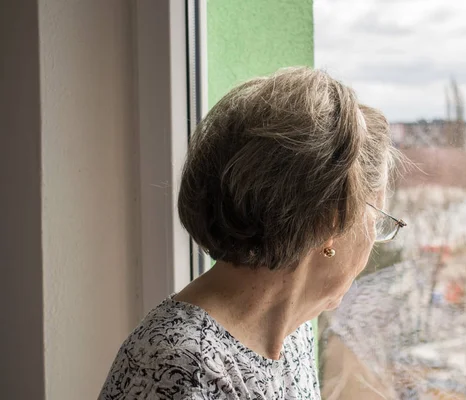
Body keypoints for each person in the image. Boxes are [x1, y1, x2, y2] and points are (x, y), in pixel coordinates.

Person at [99, 67, 405, 400]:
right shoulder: (186, 371)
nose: (375, 238)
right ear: (333, 221)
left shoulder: (291, 333)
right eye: (377, 219)